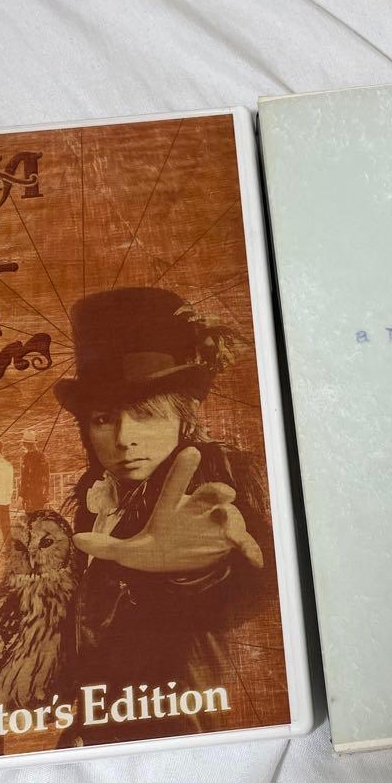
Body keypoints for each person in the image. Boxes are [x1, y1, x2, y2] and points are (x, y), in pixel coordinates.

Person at [52, 287, 271, 747]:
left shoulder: (206, 489)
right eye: (104, 418)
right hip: (100, 724)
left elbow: (246, 582)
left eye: (147, 414)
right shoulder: (98, 498)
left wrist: (192, 569)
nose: (124, 438)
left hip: (175, 728)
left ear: (184, 420)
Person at [19, 428, 49, 514]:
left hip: (30, 496)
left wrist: (21, 496)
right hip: (41, 496)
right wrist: (46, 498)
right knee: (39, 519)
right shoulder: (43, 457)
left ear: (26, 444)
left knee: (31, 518)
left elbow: (24, 479)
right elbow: (46, 479)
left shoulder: (26, 458)